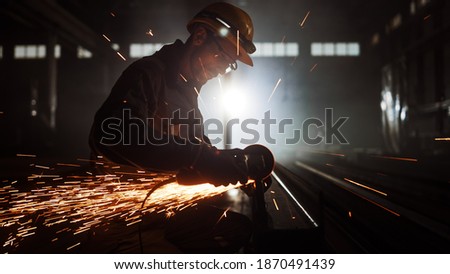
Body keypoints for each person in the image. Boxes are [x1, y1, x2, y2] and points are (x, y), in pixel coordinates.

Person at [87, 2, 258, 253]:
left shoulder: (187, 91)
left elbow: (200, 148)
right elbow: (112, 132)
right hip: (126, 219)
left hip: (161, 213)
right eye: (222, 56)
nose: (222, 69)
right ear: (200, 36)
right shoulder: (149, 74)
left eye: (230, 63)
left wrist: (238, 167)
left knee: (237, 229)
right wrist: (198, 156)